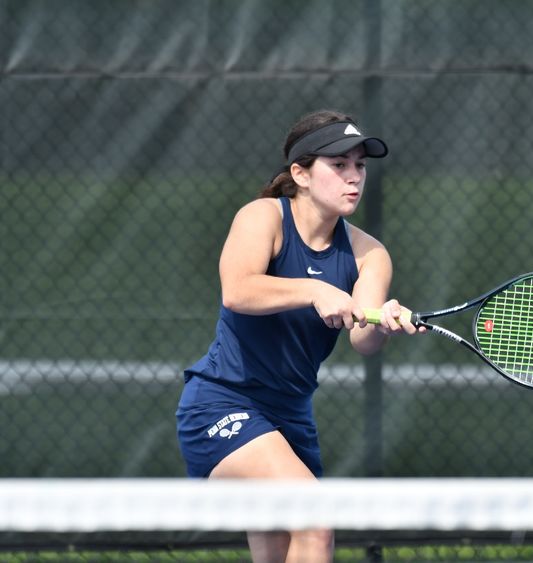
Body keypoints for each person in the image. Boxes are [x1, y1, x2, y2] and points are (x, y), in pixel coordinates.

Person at [175, 109, 421, 562]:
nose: (354, 177)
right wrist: (314, 289)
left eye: (360, 166)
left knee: (281, 550)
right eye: (339, 165)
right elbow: (238, 291)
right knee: (315, 517)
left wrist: (382, 321)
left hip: (292, 418)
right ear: (300, 174)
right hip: (223, 403)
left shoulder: (370, 254)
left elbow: (363, 342)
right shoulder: (262, 218)